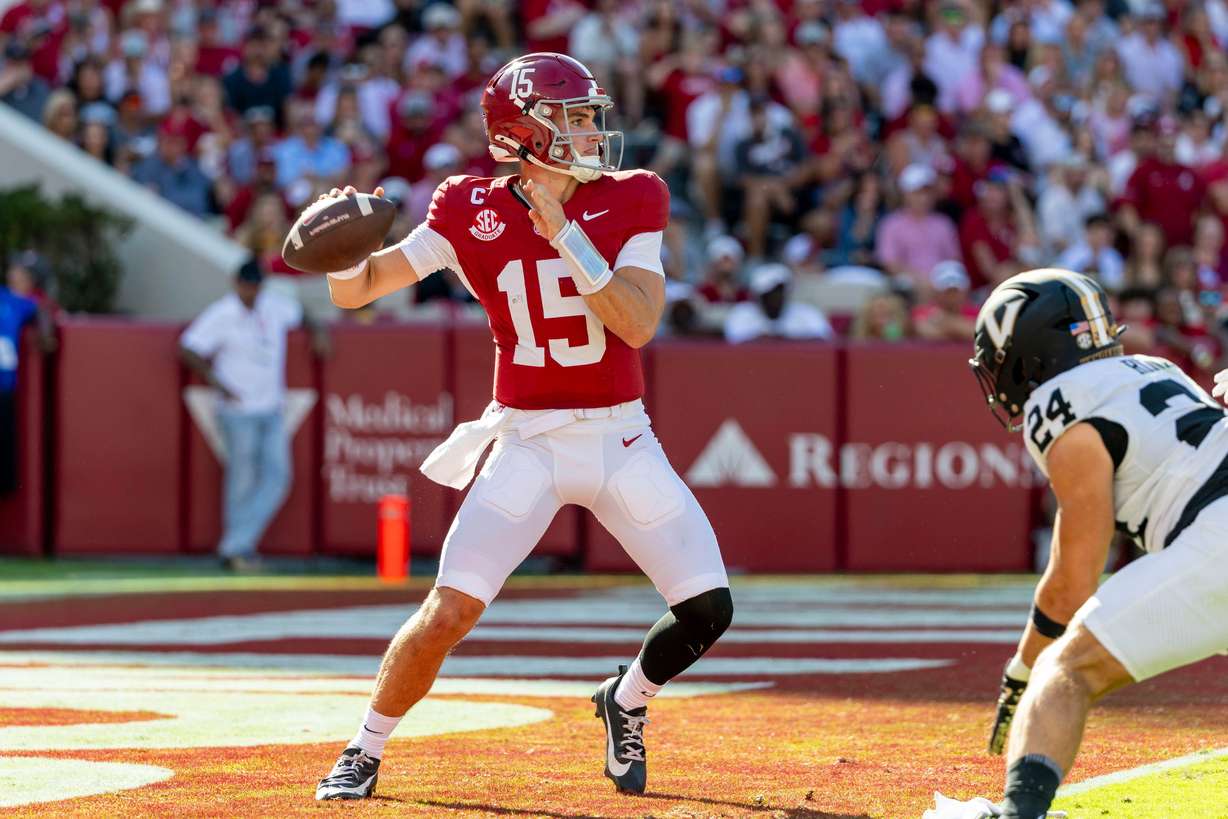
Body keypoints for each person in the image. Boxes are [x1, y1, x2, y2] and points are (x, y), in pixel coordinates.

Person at [313, 53, 732, 800]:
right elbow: (365, 288)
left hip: (619, 434)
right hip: (529, 440)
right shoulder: (465, 206)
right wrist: (344, 257)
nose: (591, 130)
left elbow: (635, 323)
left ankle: (626, 698)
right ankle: (362, 747)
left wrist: (565, 233)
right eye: (572, 117)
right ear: (524, 133)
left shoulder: (635, 196)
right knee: (449, 609)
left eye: (588, 115)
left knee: (708, 607)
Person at [927, 268, 1228, 818]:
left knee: (1066, 672)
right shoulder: (1160, 368)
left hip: (1218, 532)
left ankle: (1021, 813)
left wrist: (1027, 670)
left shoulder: (1058, 403)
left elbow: (1076, 577)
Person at [178, 258, 304, 572]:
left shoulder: (273, 306)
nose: (252, 290)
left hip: (270, 406)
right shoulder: (223, 313)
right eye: (247, 284)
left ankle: (235, 545)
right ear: (237, 283)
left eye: (256, 284)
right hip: (237, 409)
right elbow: (188, 348)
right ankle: (238, 549)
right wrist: (218, 383)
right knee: (242, 481)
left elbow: (302, 314)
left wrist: (316, 332)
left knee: (278, 477)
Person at [723, 263, 833, 344]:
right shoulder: (741, 314)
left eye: (779, 291)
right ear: (758, 296)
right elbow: (735, 345)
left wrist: (779, 340)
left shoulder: (807, 313)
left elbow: (825, 341)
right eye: (769, 293)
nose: (775, 297)